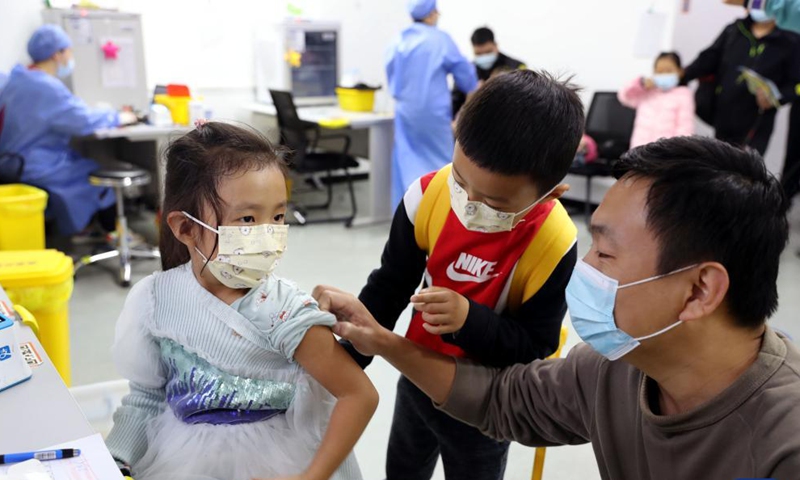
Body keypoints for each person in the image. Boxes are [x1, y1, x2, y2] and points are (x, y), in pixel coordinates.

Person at [316, 135, 800, 479]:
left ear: (698, 291)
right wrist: (379, 343)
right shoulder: (609, 370)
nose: (584, 269)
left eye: (604, 253)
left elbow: (525, 352)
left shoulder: (783, 445)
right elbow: (500, 399)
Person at [336, 70, 583, 480]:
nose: (468, 203)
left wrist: (470, 321)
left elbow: (534, 348)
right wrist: (347, 358)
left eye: (493, 202)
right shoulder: (428, 196)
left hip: (485, 400)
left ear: (551, 193)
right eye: (460, 179)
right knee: (403, 467)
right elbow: (390, 284)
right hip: (416, 372)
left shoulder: (554, 243)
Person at [104, 122, 378, 480]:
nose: (267, 234)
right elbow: (147, 395)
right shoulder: (156, 300)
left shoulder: (286, 311)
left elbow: (358, 395)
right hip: (181, 460)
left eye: (277, 216)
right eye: (247, 219)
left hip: (278, 463)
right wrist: (116, 458)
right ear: (186, 228)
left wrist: (311, 477)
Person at [0, 24, 136, 236]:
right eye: (69, 51)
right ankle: (113, 234)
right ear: (57, 54)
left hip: (11, 162)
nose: (70, 57)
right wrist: (119, 117)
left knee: (82, 164)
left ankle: (97, 231)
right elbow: (82, 120)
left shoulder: (17, 78)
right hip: (36, 165)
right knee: (94, 175)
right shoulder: (46, 87)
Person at [386, 0, 478, 208]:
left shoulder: (398, 41)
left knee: (405, 161)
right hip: (432, 113)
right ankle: (439, 213)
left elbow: (392, 77)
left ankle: (407, 215)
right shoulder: (440, 40)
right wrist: (472, 89)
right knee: (439, 164)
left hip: (405, 112)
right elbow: (465, 74)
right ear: (429, 14)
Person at [682, 7, 800, 155]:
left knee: (747, 165)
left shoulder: (790, 40)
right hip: (724, 114)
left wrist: (777, 97)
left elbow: (796, 84)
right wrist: (680, 75)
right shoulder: (734, 30)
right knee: (719, 161)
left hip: (758, 119)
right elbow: (708, 59)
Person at [617, 52, 695, 148]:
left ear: (680, 72)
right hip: (639, 148)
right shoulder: (646, 92)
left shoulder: (683, 95)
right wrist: (640, 84)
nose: (664, 74)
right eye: (659, 71)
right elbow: (624, 97)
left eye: (668, 71)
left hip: (666, 151)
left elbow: (685, 128)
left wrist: (677, 151)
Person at [452, 27, 526, 118]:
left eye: (488, 52)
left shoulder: (517, 68)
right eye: (478, 54)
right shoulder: (465, 73)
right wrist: (471, 98)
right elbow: (454, 107)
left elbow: (526, 101)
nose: (484, 56)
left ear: (496, 46)